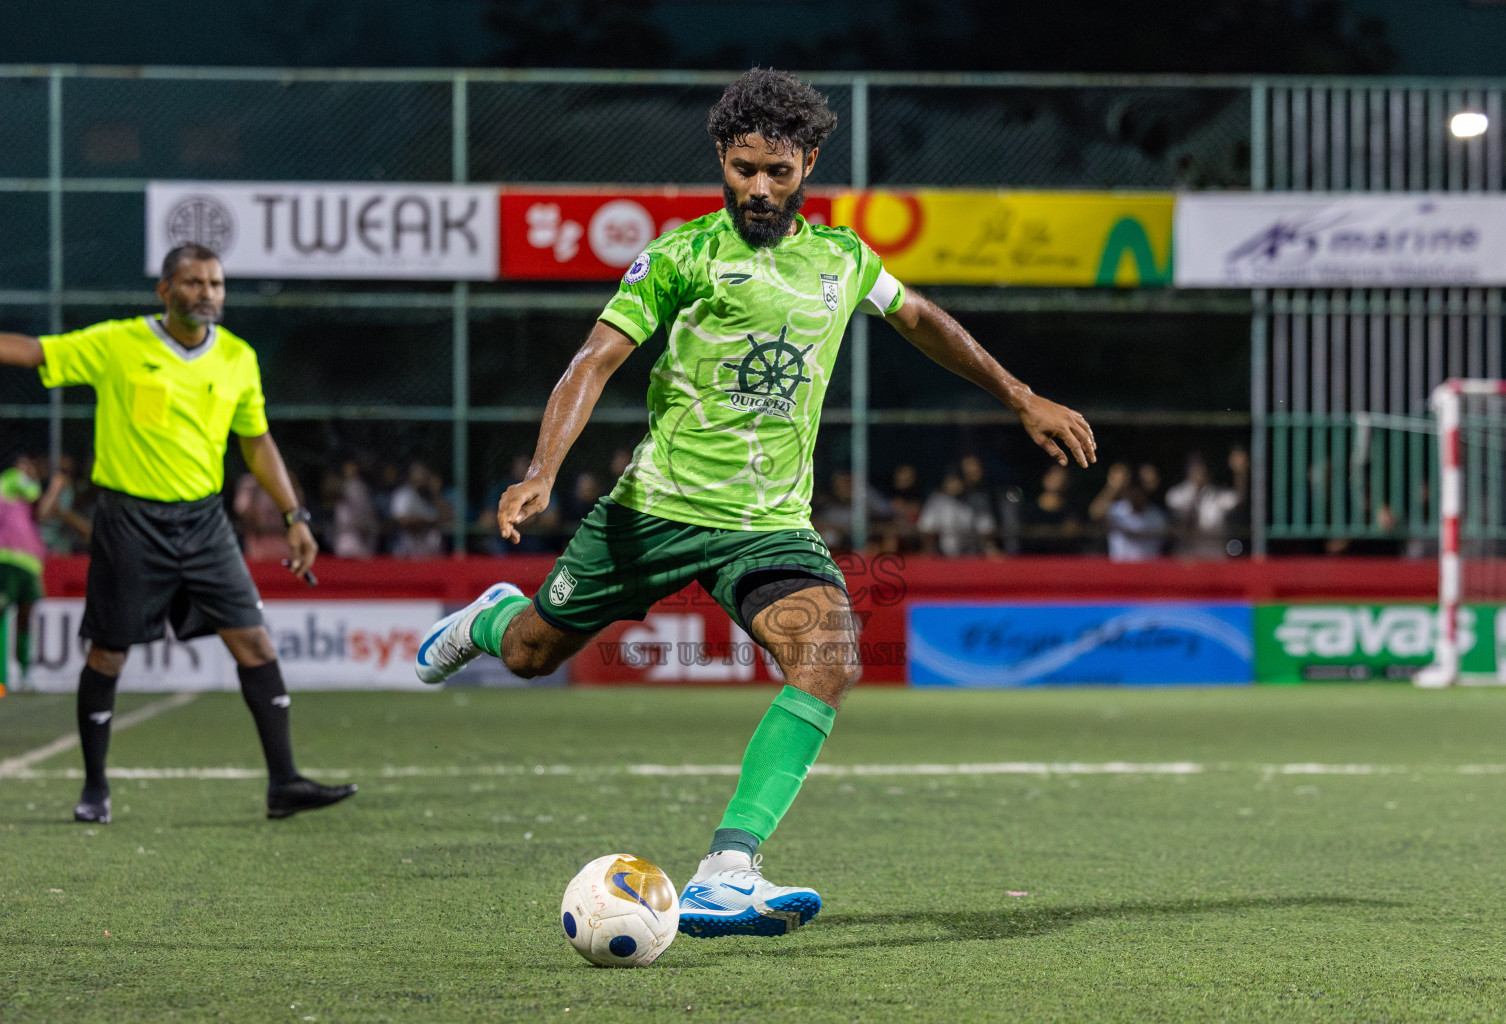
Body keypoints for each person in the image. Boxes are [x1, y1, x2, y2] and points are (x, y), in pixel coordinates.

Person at [414, 69, 1094, 938]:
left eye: (777, 169)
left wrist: (1019, 394)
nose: (759, 188)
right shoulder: (681, 255)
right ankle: (492, 619)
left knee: (832, 655)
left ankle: (728, 870)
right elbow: (594, 359)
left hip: (768, 526)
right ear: (723, 165)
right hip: (653, 511)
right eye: (742, 169)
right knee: (531, 655)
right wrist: (545, 467)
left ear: (808, 161)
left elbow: (921, 319)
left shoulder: (842, 260)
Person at [0, 243, 356, 823]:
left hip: (204, 523)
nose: (207, 292)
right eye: (193, 282)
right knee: (108, 653)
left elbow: (256, 442)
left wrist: (294, 516)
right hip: (129, 521)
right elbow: (35, 352)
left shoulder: (237, 357)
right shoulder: (117, 343)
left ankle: (284, 783)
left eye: (216, 283)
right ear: (164, 291)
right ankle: (94, 789)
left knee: (254, 642)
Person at [0, 453, 66, 687]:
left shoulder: (24, 502)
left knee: (25, 616)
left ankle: (23, 672)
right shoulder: (9, 479)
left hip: (30, 562)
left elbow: (42, 512)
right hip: (7, 556)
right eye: (25, 465)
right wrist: (53, 487)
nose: (28, 469)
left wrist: (55, 490)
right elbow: (36, 495)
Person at [1166, 448, 1247, 558]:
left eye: (1202, 468)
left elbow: (1239, 500)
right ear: (1188, 470)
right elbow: (1183, 523)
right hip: (1187, 560)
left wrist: (1240, 472)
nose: (1199, 472)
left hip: (1214, 558)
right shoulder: (1176, 494)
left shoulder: (1217, 494)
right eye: (1195, 468)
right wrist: (1197, 493)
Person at [917, 471, 997, 557]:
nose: (954, 485)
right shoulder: (936, 501)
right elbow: (925, 526)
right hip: (941, 554)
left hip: (970, 553)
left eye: (957, 482)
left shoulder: (971, 501)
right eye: (951, 482)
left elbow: (986, 526)